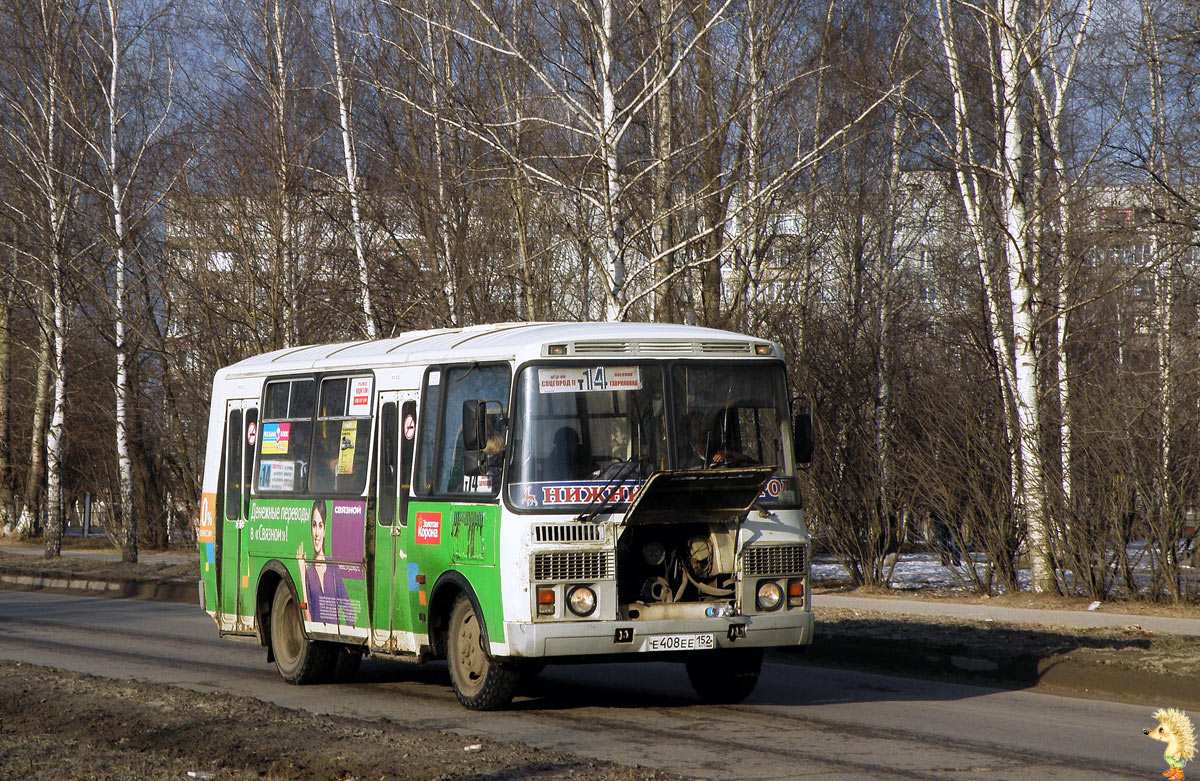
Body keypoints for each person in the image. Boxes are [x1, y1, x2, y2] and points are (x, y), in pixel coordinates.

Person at [297, 499, 354, 624]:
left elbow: (348, 608)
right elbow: (307, 615)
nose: (317, 533)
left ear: (324, 530)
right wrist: (302, 576)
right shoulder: (309, 573)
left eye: (320, 525)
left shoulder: (333, 568)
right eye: (314, 525)